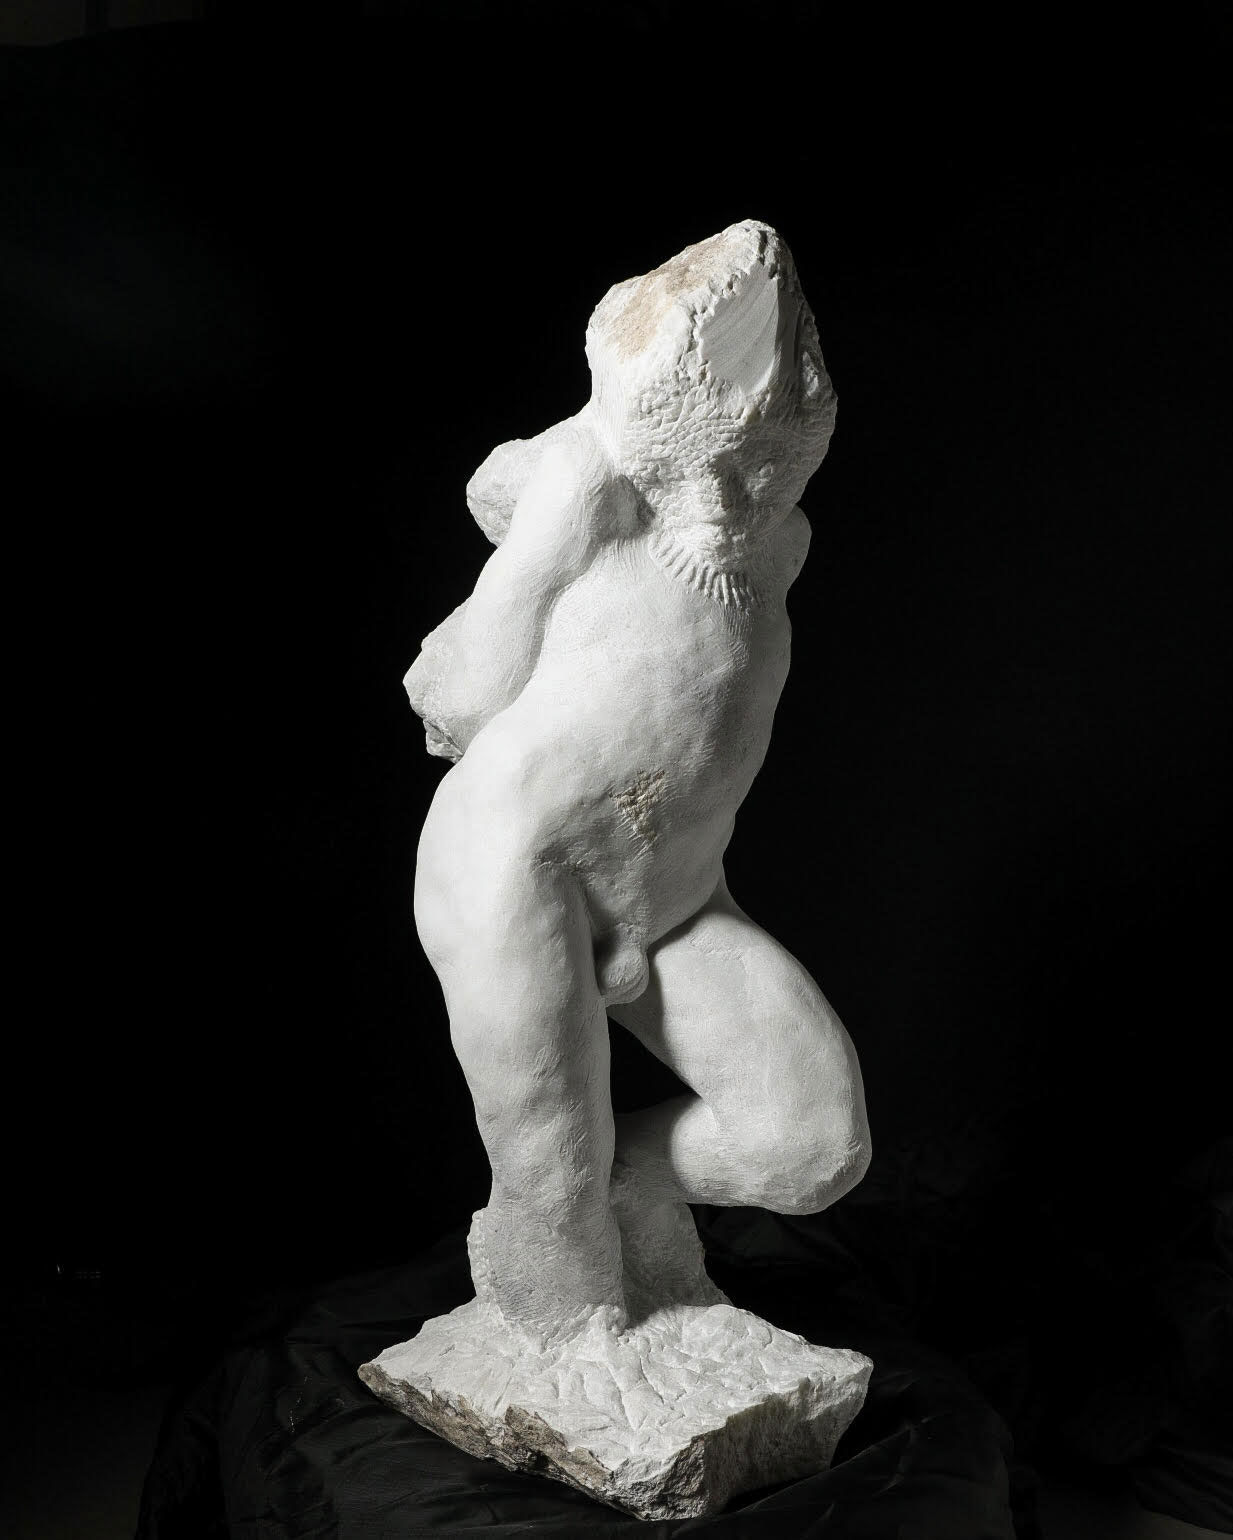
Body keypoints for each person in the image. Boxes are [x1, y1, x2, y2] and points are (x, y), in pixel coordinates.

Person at [406, 220, 870, 1342]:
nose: (735, 503)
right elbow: (457, 689)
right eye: (713, 472)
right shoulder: (590, 481)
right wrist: (544, 509)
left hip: (676, 899)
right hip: (522, 866)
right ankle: (567, 1326)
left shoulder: (781, 541)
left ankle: (620, 1206)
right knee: (550, 1166)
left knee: (810, 1146)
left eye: (761, 476)